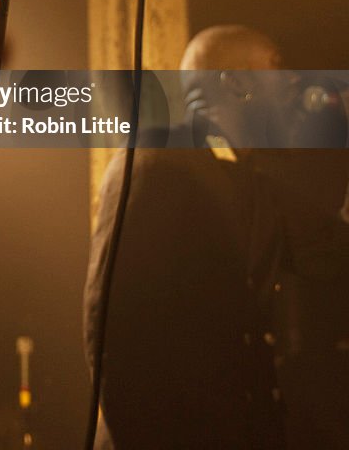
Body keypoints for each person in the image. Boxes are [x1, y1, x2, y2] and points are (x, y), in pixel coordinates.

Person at [84, 25, 349, 450]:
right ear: (237, 83)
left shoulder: (255, 186)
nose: (295, 83)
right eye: (277, 68)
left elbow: (335, 253)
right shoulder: (156, 161)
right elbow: (117, 331)